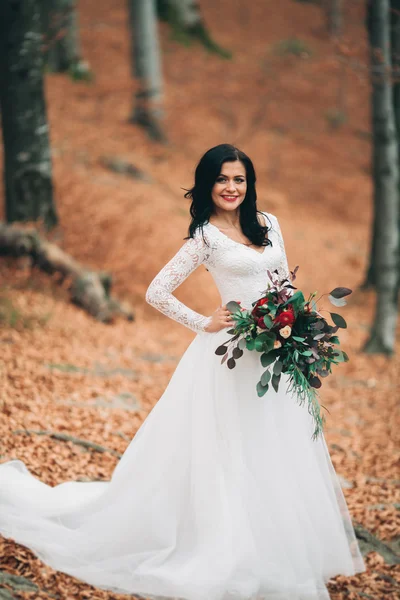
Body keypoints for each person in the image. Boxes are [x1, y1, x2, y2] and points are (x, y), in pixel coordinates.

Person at [0, 144, 365, 600]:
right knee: (228, 450)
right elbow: (157, 291)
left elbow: (283, 284)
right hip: (229, 355)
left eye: (239, 179)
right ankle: (227, 547)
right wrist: (204, 322)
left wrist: (296, 324)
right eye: (222, 179)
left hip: (274, 352)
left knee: (273, 446)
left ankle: (277, 544)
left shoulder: (269, 224)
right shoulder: (205, 237)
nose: (231, 187)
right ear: (208, 184)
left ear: (248, 184)